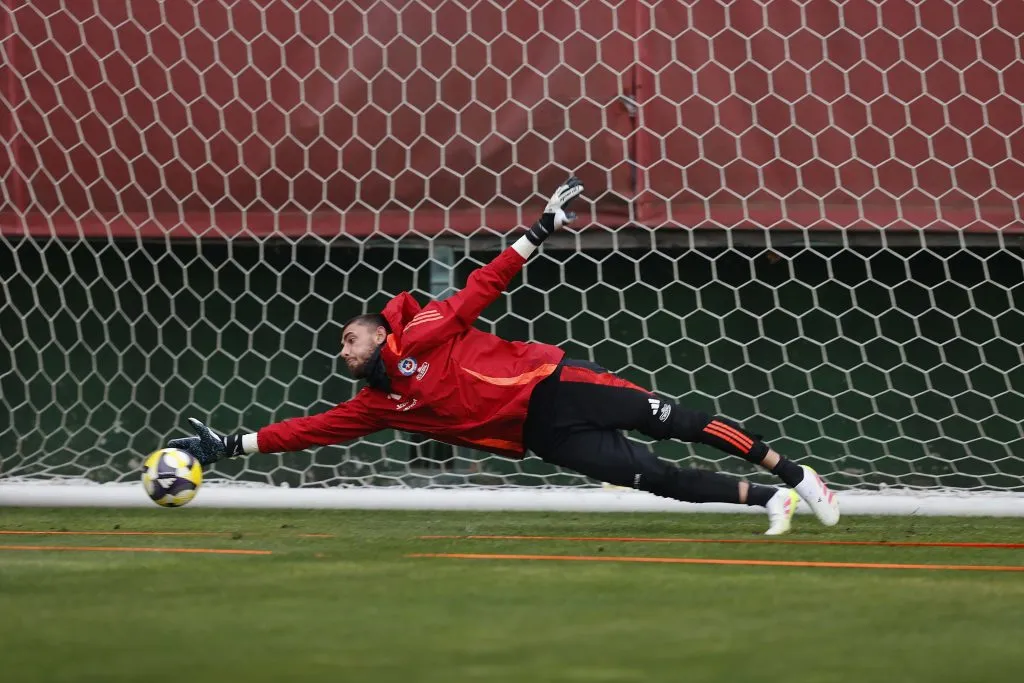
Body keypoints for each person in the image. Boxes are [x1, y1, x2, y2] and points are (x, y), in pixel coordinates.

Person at [170, 176, 839, 535]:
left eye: (349, 335)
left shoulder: (420, 331)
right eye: (340, 346)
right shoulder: (377, 405)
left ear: (378, 332)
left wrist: (539, 229)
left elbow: (479, 289)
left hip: (552, 384)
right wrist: (231, 444)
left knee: (676, 418)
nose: (340, 347)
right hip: (537, 434)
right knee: (654, 477)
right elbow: (306, 431)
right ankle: (769, 501)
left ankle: (802, 475)